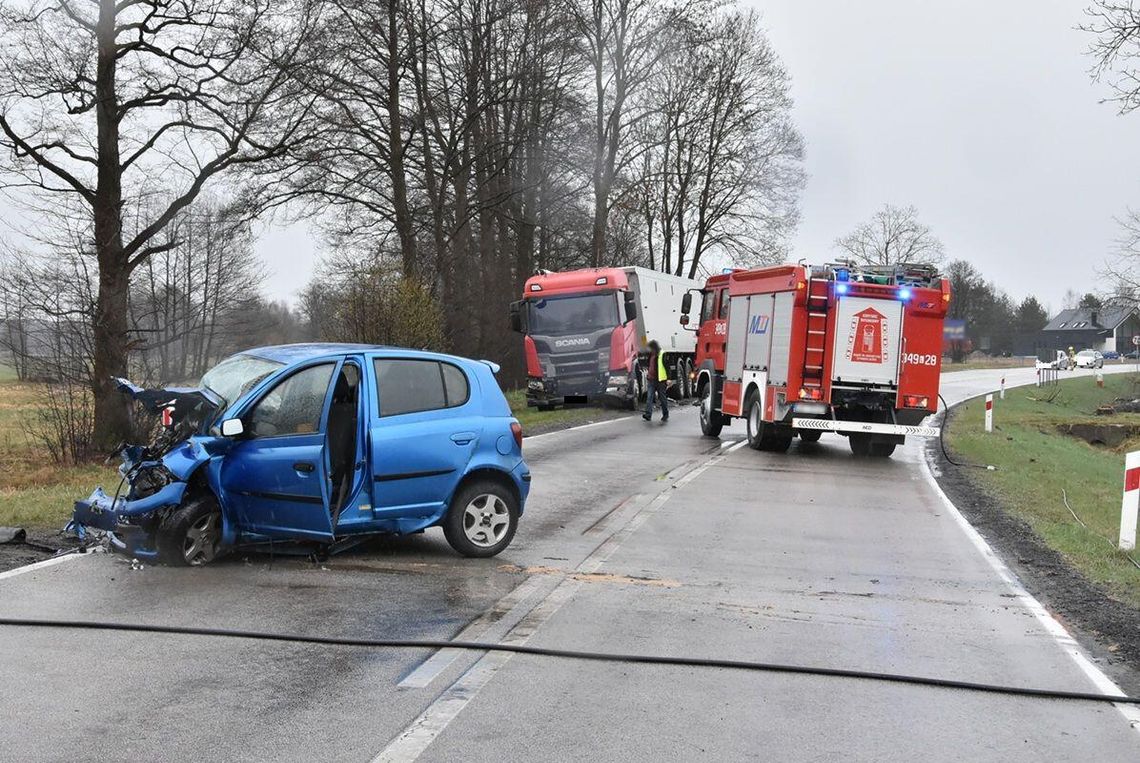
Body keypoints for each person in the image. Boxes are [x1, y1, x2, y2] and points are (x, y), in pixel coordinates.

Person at [642, 340, 669, 422]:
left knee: (662, 398)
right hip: (651, 380)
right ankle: (648, 414)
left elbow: (667, 367)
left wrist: (669, 379)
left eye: (651, 348)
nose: (650, 350)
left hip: (660, 380)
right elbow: (649, 366)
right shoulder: (650, 355)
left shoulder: (662, 354)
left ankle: (665, 414)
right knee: (649, 397)